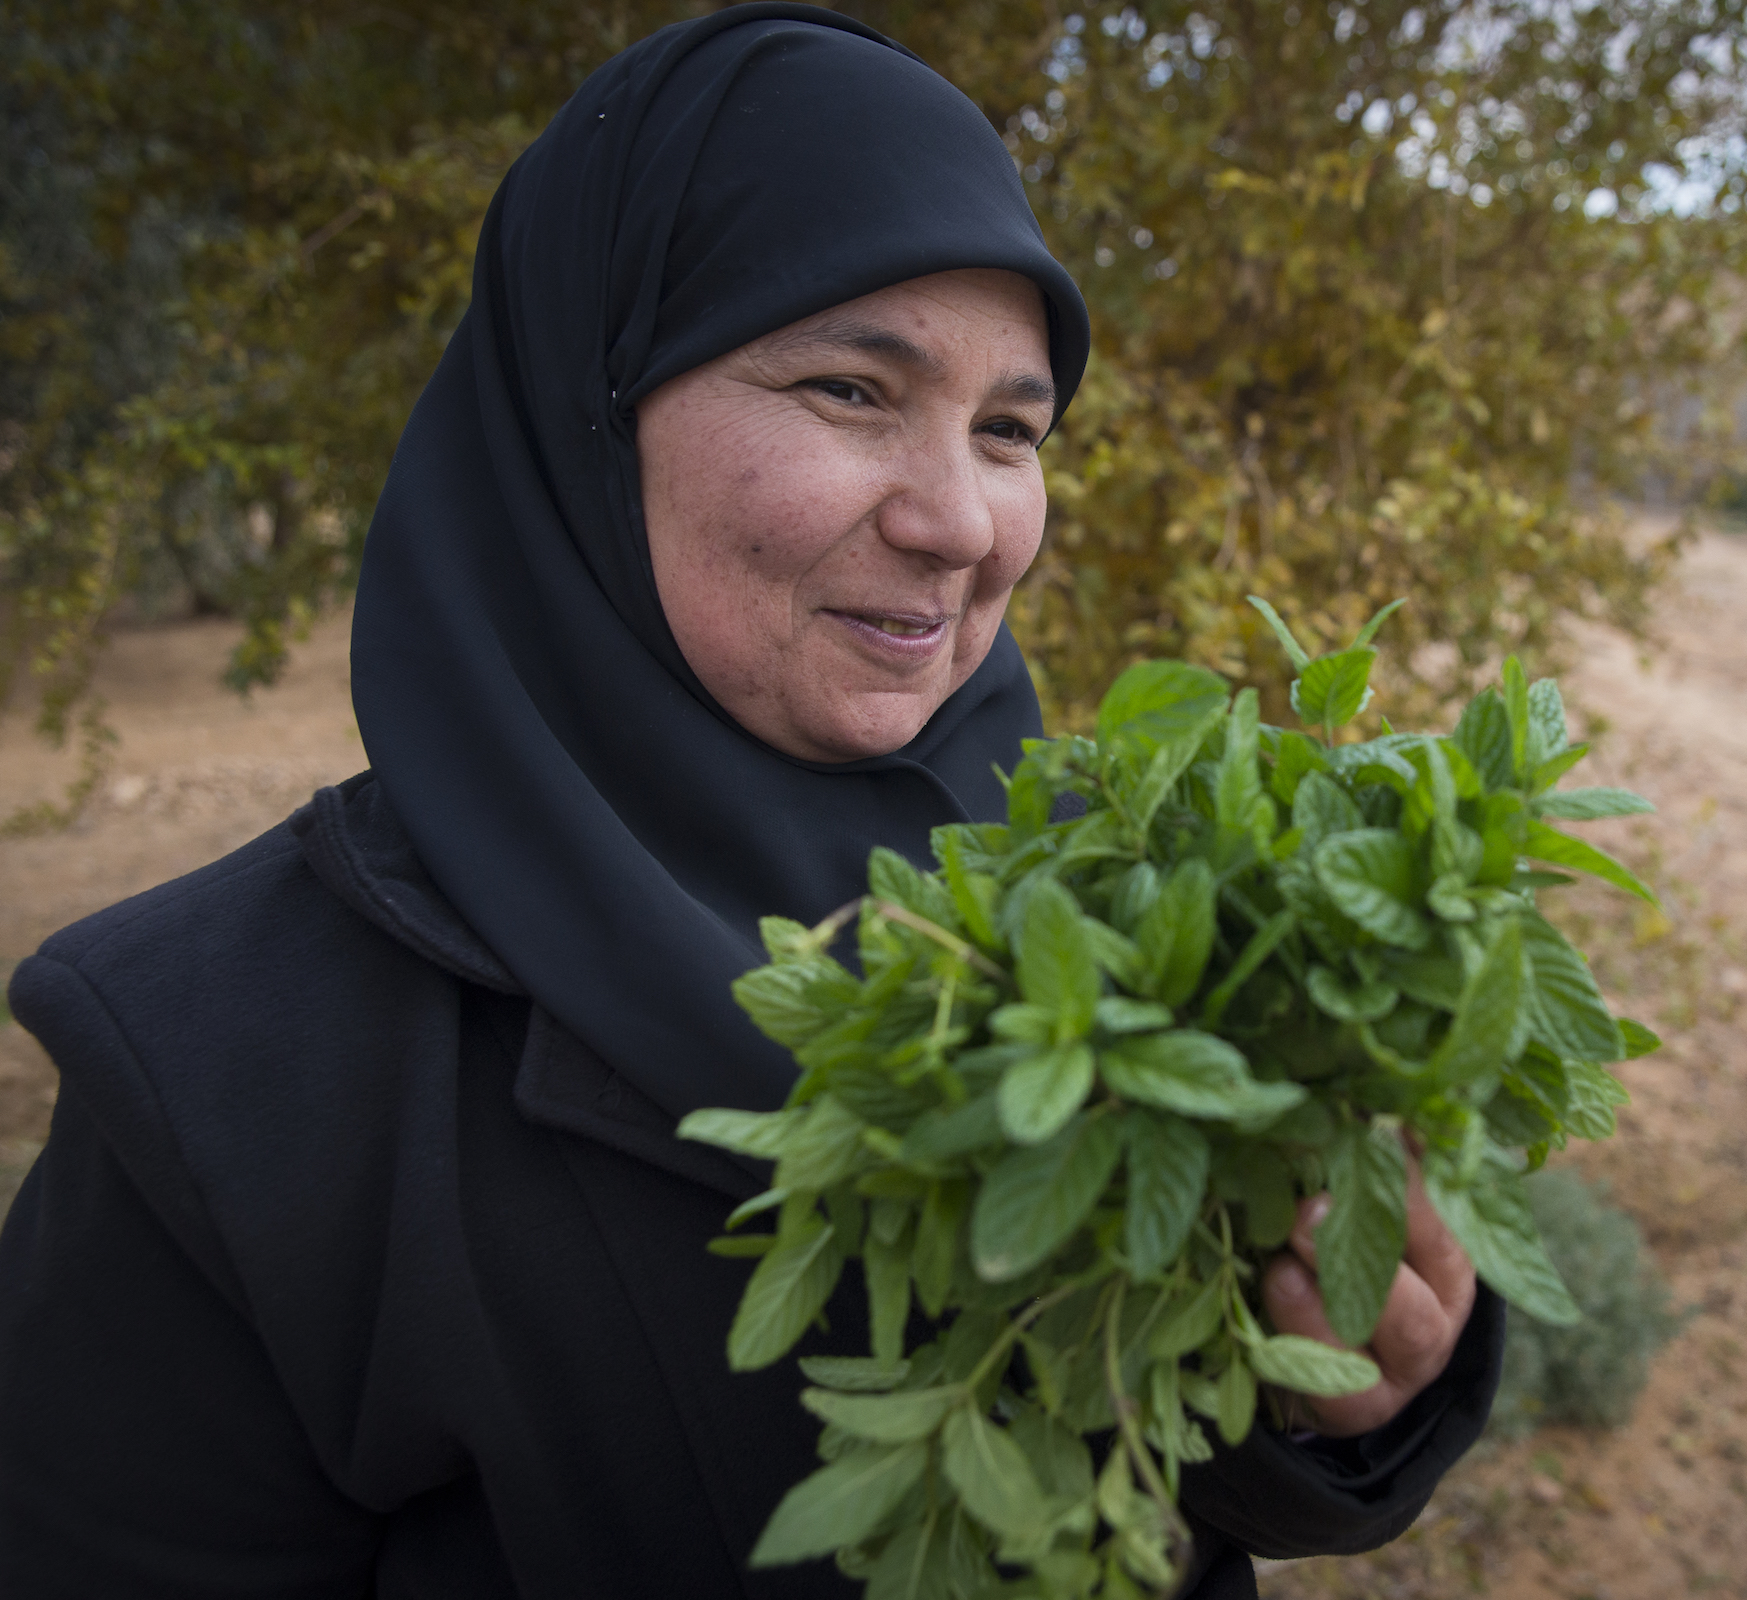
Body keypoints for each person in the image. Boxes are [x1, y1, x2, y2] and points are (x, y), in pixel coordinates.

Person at [0, 7, 1501, 1596]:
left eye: (1010, 430)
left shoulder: (1119, 893)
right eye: (854, 389)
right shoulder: (223, 1073)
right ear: (592, 406)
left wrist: (1343, 1392)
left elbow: (1211, 1483)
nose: (959, 521)